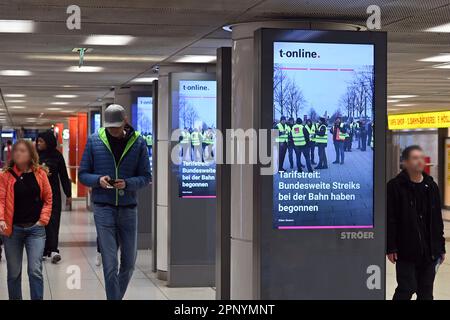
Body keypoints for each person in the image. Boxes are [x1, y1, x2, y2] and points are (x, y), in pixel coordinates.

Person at [79, 104, 151, 300]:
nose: (113, 131)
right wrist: (98, 181)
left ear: (125, 121)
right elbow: (83, 174)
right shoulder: (95, 141)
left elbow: (146, 176)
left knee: (129, 263)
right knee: (111, 264)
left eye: (117, 127)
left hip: (128, 209)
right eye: (110, 127)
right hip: (103, 208)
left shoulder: (138, 143)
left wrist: (127, 183)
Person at [387, 145, 445, 300]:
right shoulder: (395, 186)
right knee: (406, 289)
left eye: (421, 157)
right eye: (414, 158)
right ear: (405, 162)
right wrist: (391, 247)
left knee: (426, 292)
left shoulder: (431, 186)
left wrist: (441, 247)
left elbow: (437, 220)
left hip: (429, 250)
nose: (420, 161)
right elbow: (391, 219)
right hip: (406, 249)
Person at [0, 140, 53, 300]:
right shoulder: (6, 175)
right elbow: (1, 199)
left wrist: (43, 220)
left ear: (31, 154)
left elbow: (48, 199)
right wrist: (1, 218)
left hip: (35, 230)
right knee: (14, 273)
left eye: (22, 151)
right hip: (12, 230)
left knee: (35, 271)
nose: (18, 153)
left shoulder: (40, 174)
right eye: (16, 151)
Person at [36, 130, 72, 263]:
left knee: (53, 221)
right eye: (38, 141)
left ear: (49, 142)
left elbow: (63, 175)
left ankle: (53, 249)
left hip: (53, 194)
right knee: (41, 222)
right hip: (37, 195)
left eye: (41, 141)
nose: (39, 143)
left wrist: (68, 194)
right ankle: (42, 250)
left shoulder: (57, 156)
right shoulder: (34, 156)